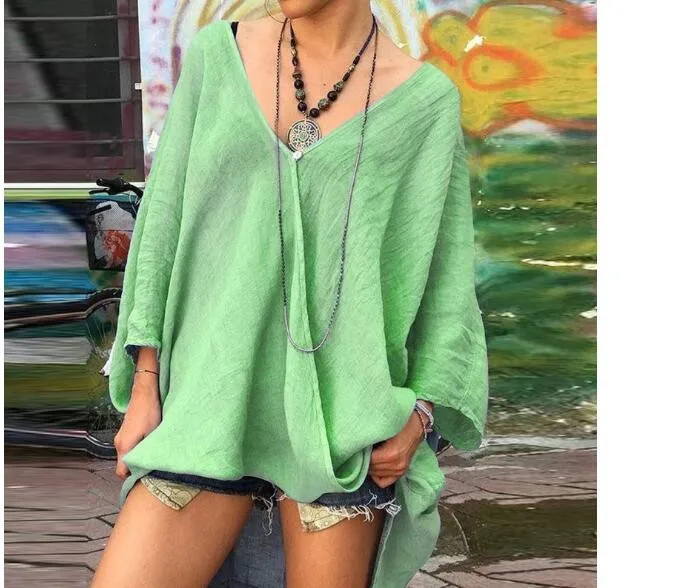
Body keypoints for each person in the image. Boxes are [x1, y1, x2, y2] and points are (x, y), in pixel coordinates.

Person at [91, 1, 489, 587]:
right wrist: (145, 384)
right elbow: (162, 226)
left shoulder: (424, 103)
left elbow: (444, 281)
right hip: (207, 408)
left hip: (339, 432)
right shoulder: (218, 57)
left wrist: (421, 416)